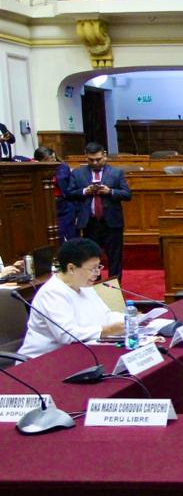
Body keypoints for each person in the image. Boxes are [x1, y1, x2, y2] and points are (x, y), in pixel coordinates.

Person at [17, 238, 123, 359]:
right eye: (92, 269)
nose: (97, 273)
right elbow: (67, 335)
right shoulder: (52, 293)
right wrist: (107, 331)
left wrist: (129, 320)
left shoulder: (84, 285)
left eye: (98, 267)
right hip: (42, 360)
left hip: (79, 353)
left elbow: (106, 316)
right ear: (71, 268)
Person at [67, 143, 131, 279]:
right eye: (91, 160)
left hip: (112, 223)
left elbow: (127, 194)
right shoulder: (78, 173)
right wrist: (85, 191)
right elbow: (69, 194)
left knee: (115, 258)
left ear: (105, 155)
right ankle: (95, 285)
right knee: (91, 258)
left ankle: (115, 287)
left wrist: (110, 191)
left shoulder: (116, 172)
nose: (95, 163)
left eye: (98, 159)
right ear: (86, 157)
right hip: (90, 223)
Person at [34, 146, 77, 242]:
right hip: (46, 205)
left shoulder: (63, 167)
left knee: (67, 232)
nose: (52, 160)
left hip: (64, 204)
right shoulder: (35, 169)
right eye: (47, 160)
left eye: (53, 158)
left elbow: (67, 186)